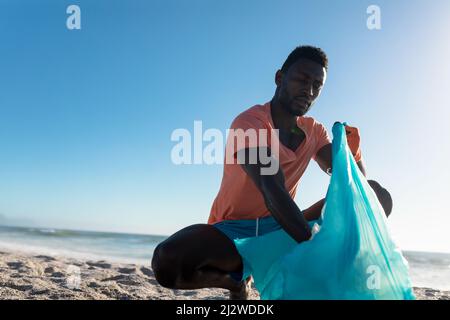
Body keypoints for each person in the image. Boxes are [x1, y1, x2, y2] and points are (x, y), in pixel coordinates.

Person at [151, 45, 393, 299]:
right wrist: (314, 249)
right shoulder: (249, 124)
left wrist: (352, 152)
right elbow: (272, 188)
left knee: (376, 194)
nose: (308, 91)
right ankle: (236, 281)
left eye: (317, 85)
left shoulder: (314, 131)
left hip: (280, 229)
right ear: (280, 78)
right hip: (233, 232)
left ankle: (315, 268)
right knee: (167, 261)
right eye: (302, 79)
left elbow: (353, 185)